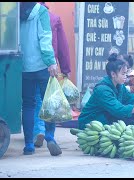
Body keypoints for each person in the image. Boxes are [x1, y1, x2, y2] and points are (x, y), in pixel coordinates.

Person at [20, 2, 61, 156]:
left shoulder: (17, 11)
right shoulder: (41, 11)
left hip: (24, 66)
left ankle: (29, 145)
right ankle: (49, 136)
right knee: (48, 102)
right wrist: (51, 62)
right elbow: (45, 38)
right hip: (43, 65)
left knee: (28, 105)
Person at [78, 53, 134, 129]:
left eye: (126, 73)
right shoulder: (102, 90)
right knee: (126, 113)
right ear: (113, 74)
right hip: (91, 122)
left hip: (106, 117)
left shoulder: (119, 85)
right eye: (123, 74)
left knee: (131, 113)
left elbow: (130, 98)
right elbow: (119, 111)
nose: (125, 76)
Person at [33, 2, 72, 148]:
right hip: (50, 66)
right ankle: (49, 136)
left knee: (34, 100)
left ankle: (38, 130)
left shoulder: (24, 17)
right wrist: (66, 68)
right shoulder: (54, 18)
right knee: (50, 100)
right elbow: (62, 45)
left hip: (29, 65)